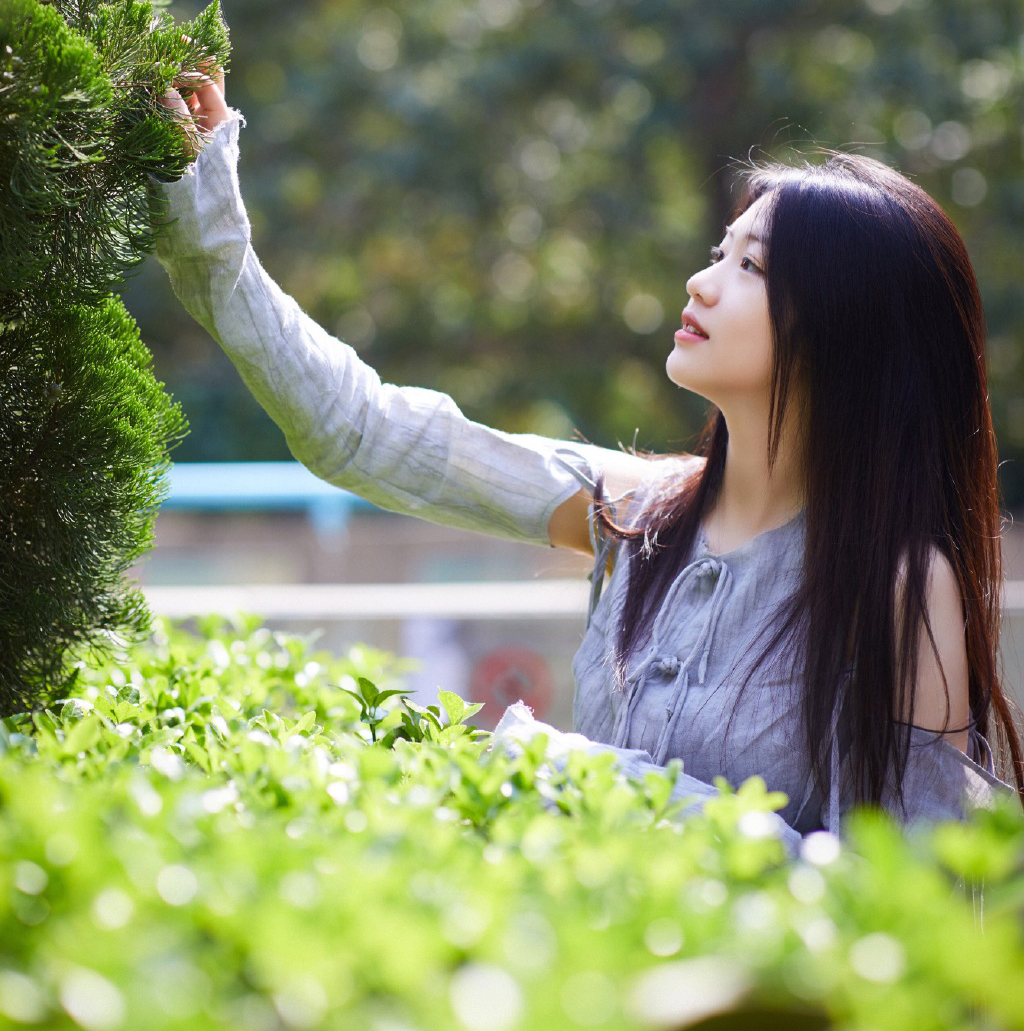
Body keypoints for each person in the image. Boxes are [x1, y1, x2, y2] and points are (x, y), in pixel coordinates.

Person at [154, 65, 1022, 840]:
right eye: (720, 253)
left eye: (752, 268)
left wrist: (604, 783)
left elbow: (907, 896)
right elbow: (366, 433)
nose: (701, 280)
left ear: (847, 329)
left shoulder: (901, 586)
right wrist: (207, 222)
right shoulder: (637, 513)